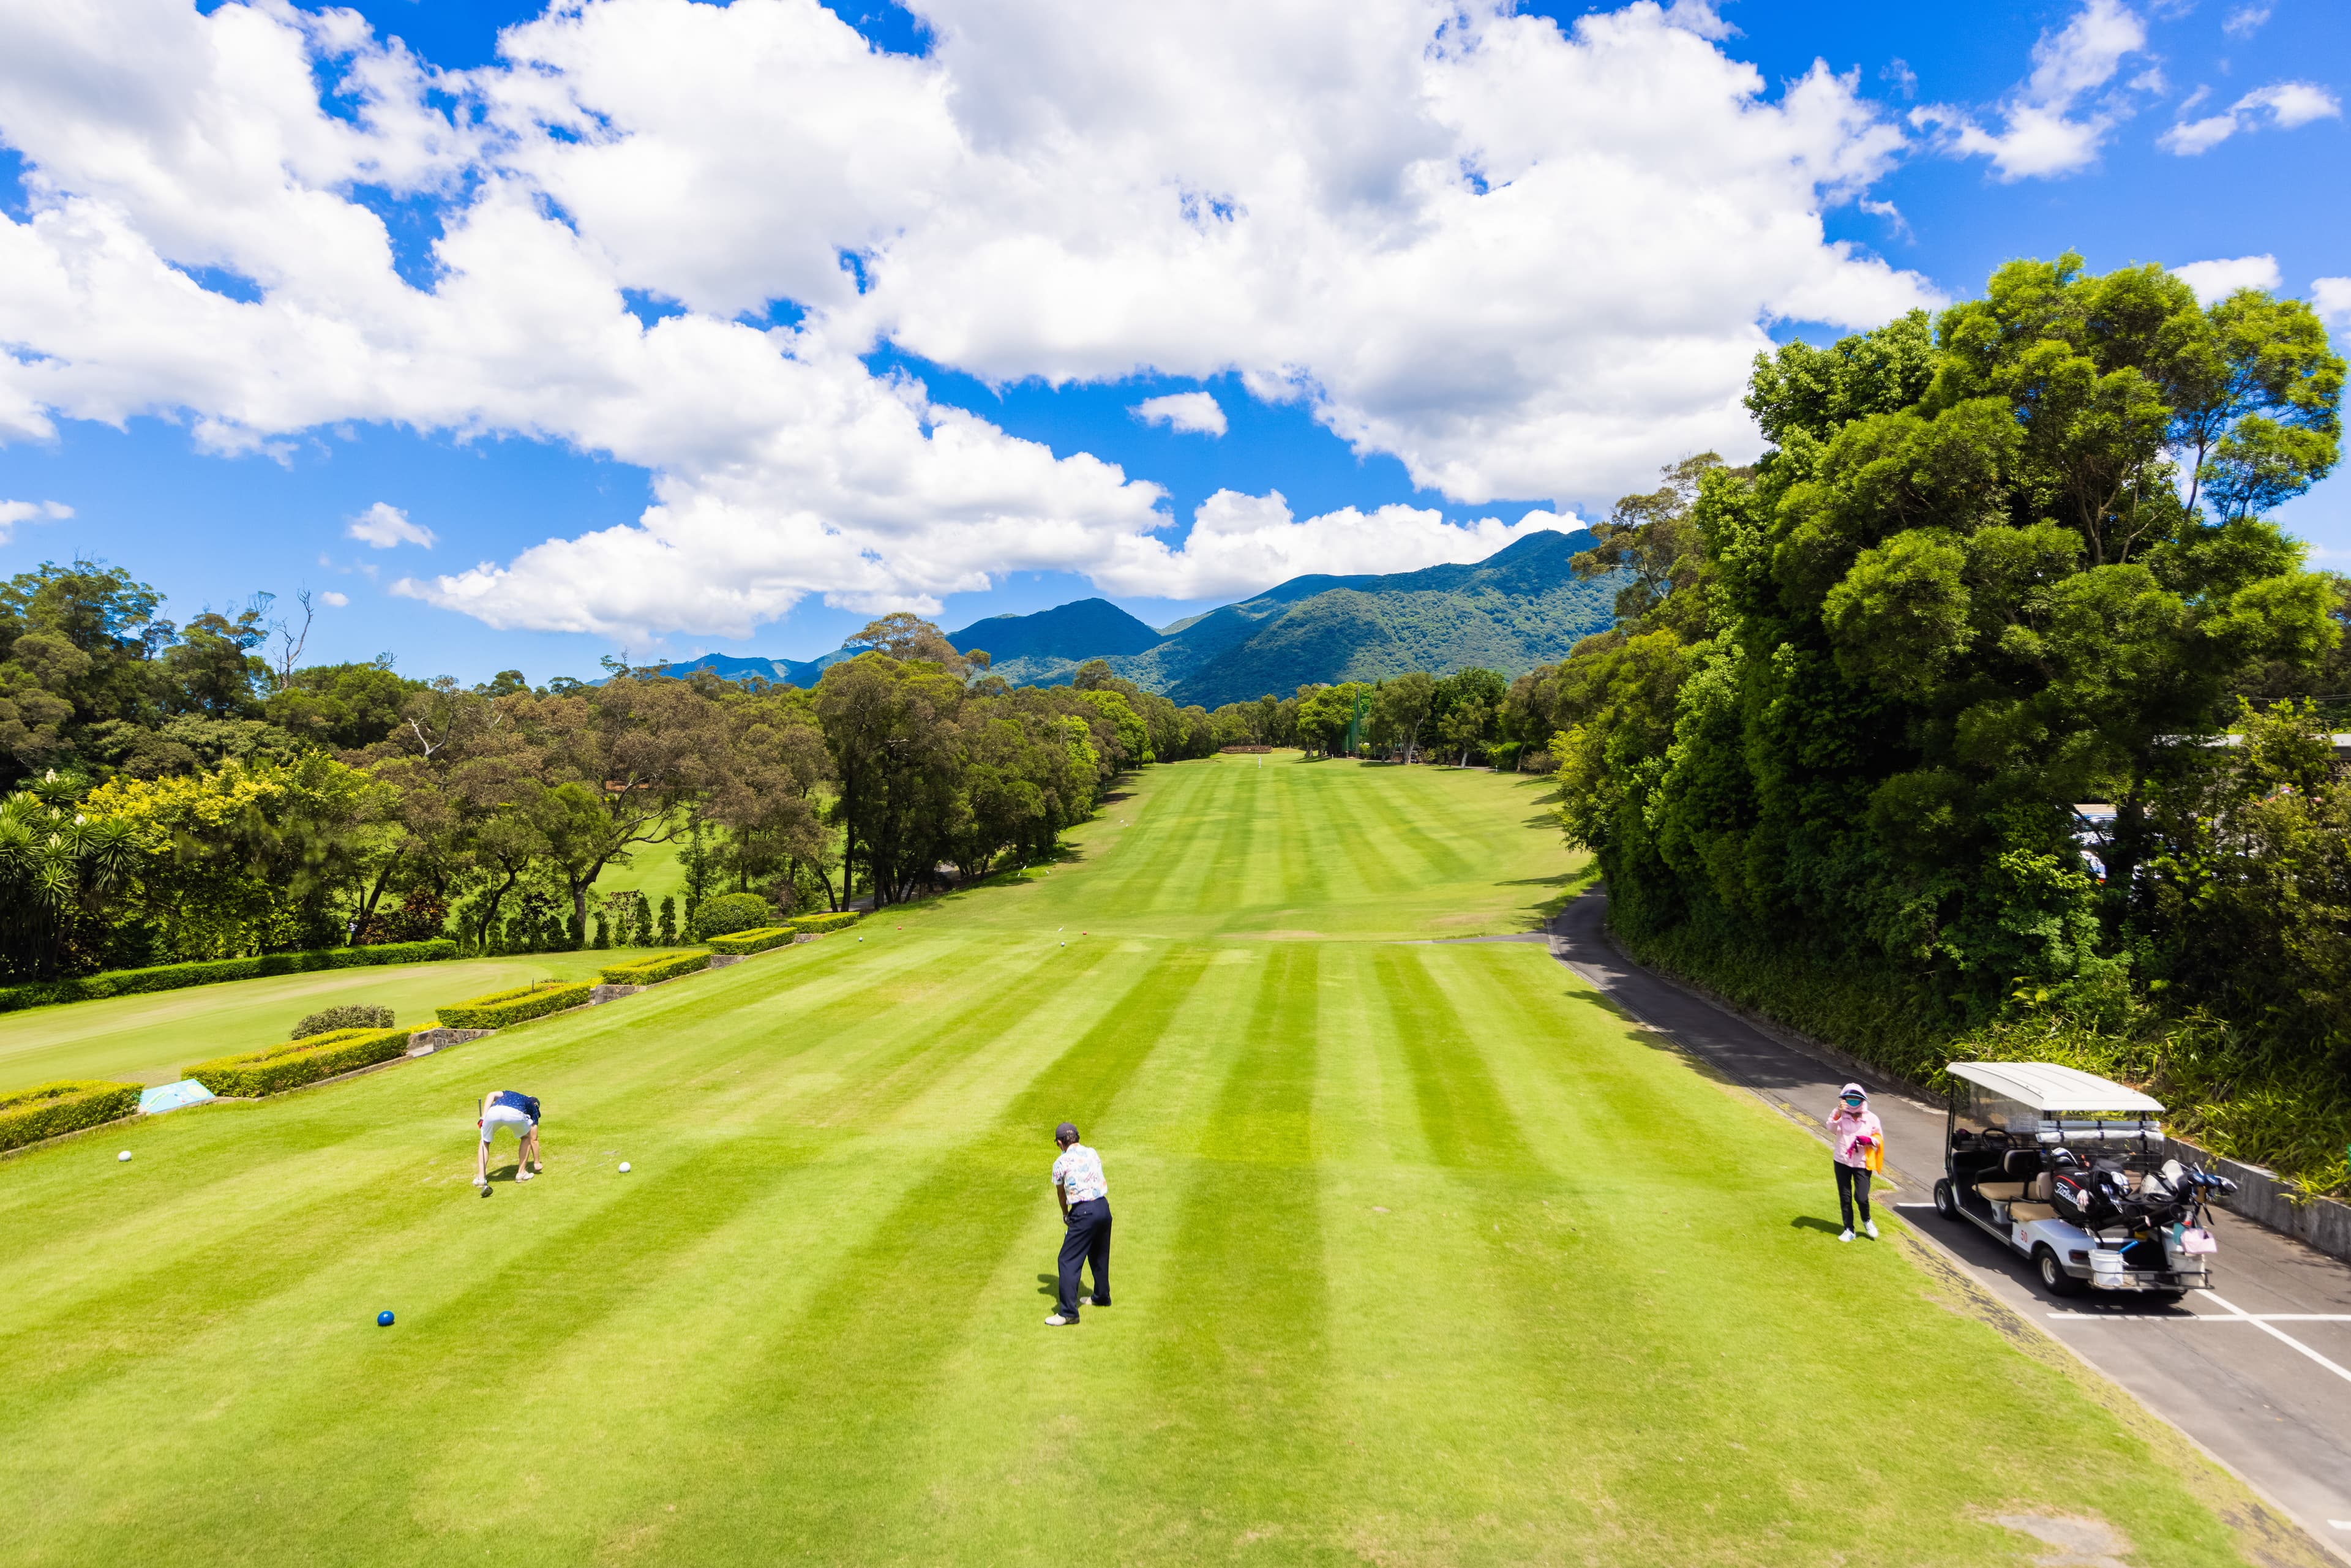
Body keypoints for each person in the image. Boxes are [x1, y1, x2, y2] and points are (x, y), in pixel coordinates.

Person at [1046, 1121, 1111, 1326]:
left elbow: (1061, 1194)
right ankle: (1102, 1296)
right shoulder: (1092, 1152)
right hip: (1103, 1208)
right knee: (1099, 1254)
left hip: (1083, 1213)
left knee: (1067, 1260)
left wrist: (1066, 1215)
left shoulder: (1060, 1163)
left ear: (1060, 1143)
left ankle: (1068, 1313)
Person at [1828, 1082, 1881, 1242]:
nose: (1853, 1101)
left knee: (1862, 1197)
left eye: (1856, 1098)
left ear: (1862, 1100)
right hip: (1842, 1161)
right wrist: (1838, 1112)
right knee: (1845, 1197)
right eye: (1849, 1098)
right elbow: (1831, 1128)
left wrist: (1869, 1140)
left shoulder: (1871, 1118)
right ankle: (1849, 1229)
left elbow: (1879, 1140)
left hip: (1862, 1163)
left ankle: (1867, 1219)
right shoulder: (1840, 1114)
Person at [476, 1089, 542, 1186]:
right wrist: (536, 1162)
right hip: (515, 1113)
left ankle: (481, 1178)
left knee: (485, 1141)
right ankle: (521, 1173)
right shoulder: (533, 1108)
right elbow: (534, 1139)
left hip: (494, 1111)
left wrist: (483, 1117)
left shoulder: (510, 1093)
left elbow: (491, 1095)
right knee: (526, 1138)